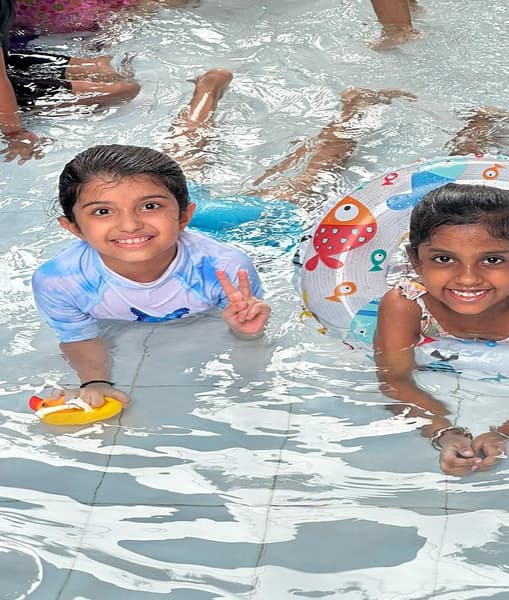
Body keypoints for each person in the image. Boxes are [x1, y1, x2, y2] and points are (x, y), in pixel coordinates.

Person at [31, 67, 415, 410]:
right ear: (73, 228)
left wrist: (245, 330)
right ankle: (207, 87)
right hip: (167, 227)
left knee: (306, 178)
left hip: (234, 226)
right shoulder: (60, 281)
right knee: (183, 154)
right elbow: (78, 336)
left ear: (185, 214)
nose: (129, 225)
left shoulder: (227, 267)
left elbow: (247, 325)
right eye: (102, 212)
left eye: (147, 206)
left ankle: (354, 109)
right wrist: (95, 381)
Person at [373, 184, 509, 476]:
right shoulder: (405, 304)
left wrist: (507, 433)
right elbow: (394, 379)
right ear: (416, 261)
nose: (468, 279)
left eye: (492, 260)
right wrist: (442, 432)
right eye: (444, 259)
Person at [0, 0, 140, 164]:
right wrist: (14, 132)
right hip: (7, 72)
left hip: (8, 61)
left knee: (109, 75)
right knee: (123, 90)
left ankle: (105, 77)